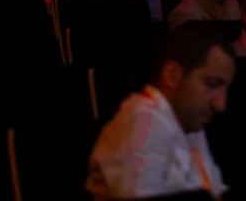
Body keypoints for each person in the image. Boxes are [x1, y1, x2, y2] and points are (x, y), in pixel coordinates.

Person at [86, 22, 235, 199]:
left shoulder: (189, 120)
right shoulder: (144, 121)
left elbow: (214, 191)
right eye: (211, 84)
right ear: (172, 75)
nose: (220, 105)